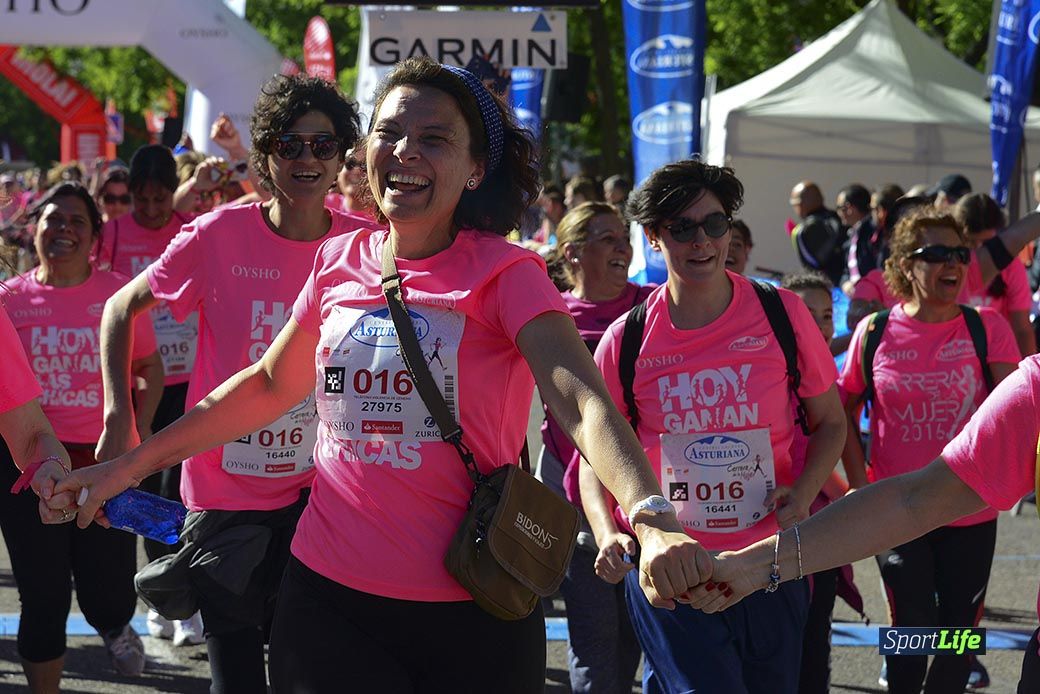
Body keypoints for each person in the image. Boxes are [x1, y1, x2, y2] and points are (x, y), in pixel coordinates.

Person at [51, 58, 709, 693]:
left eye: (433, 138)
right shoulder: (339, 261)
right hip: (327, 603)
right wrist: (128, 465)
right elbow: (268, 386)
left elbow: (583, 400)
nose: (404, 151)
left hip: (477, 600)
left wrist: (651, 517)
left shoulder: (507, 274)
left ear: (476, 168)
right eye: (390, 132)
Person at [86, 74, 362, 692]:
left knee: (304, 668)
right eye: (290, 145)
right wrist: (117, 418)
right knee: (235, 674)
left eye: (323, 146)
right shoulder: (220, 236)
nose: (306, 160)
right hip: (223, 498)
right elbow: (117, 309)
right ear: (265, 155)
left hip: (321, 494)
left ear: (342, 155)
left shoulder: (362, 246)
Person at [581, 159, 845, 694]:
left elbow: (832, 424)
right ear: (655, 237)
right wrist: (610, 533)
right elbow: (596, 456)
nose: (701, 241)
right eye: (682, 228)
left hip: (771, 561)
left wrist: (804, 493)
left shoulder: (782, 314)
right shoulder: (626, 339)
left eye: (715, 224)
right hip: (673, 569)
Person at [835, 208, 1019, 693]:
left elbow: (1018, 412)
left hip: (970, 507)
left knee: (959, 632)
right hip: (898, 508)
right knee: (911, 627)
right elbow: (840, 412)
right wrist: (859, 483)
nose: (952, 263)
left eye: (958, 253)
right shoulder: (874, 332)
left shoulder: (988, 328)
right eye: (935, 253)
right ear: (904, 265)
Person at [1, 183, 162, 688]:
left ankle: (113, 624)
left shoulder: (118, 296)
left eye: (77, 221)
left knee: (108, 588)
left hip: (104, 460)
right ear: (35, 230)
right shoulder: (9, 299)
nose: (63, 230)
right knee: (42, 594)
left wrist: (142, 427)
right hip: (26, 464)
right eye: (53, 219)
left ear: (94, 236)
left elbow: (150, 368)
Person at [94, 143, 213, 643]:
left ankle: (185, 598)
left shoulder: (189, 228)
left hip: (190, 378)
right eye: (140, 199)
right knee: (142, 489)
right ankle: (160, 599)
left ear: (172, 194)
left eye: (159, 199)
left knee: (184, 488)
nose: (149, 209)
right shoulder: (115, 232)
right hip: (139, 380)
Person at [543, 201, 652, 693]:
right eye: (607, 238)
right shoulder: (550, 315)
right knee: (594, 637)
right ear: (573, 253)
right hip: (573, 498)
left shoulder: (652, 307)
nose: (622, 247)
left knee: (641, 636)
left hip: (645, 498)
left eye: (623, 238)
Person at [779, 271, 866, 694]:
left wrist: (857, 488)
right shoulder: (757, 375)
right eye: (802, 312)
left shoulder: (827, 380)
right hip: (762, 527)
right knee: (773, 648)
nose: (817, 324)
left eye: (826, 315)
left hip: (818, 527)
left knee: (815, 641)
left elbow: (841, 430)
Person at [954, 192, 1036, 357]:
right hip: (955, 356)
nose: (978, 250)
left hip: (999, 357)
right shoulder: (950, 267)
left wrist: (1031, 377)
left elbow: (1022, 329)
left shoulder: (1011, 266)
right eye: (970, 242)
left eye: (987, 244)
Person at [790, 181, 846, 287]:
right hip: (851, 286)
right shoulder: (842, 219)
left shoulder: (801, 230)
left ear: (801, 204)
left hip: (825, 290)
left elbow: (811, 268)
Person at [837, 183, 876, 291]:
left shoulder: (873, 232)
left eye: (840, 208)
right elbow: (846, 270)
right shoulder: (851, 235)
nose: (838, 213)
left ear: (849, 208)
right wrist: (845, 283)